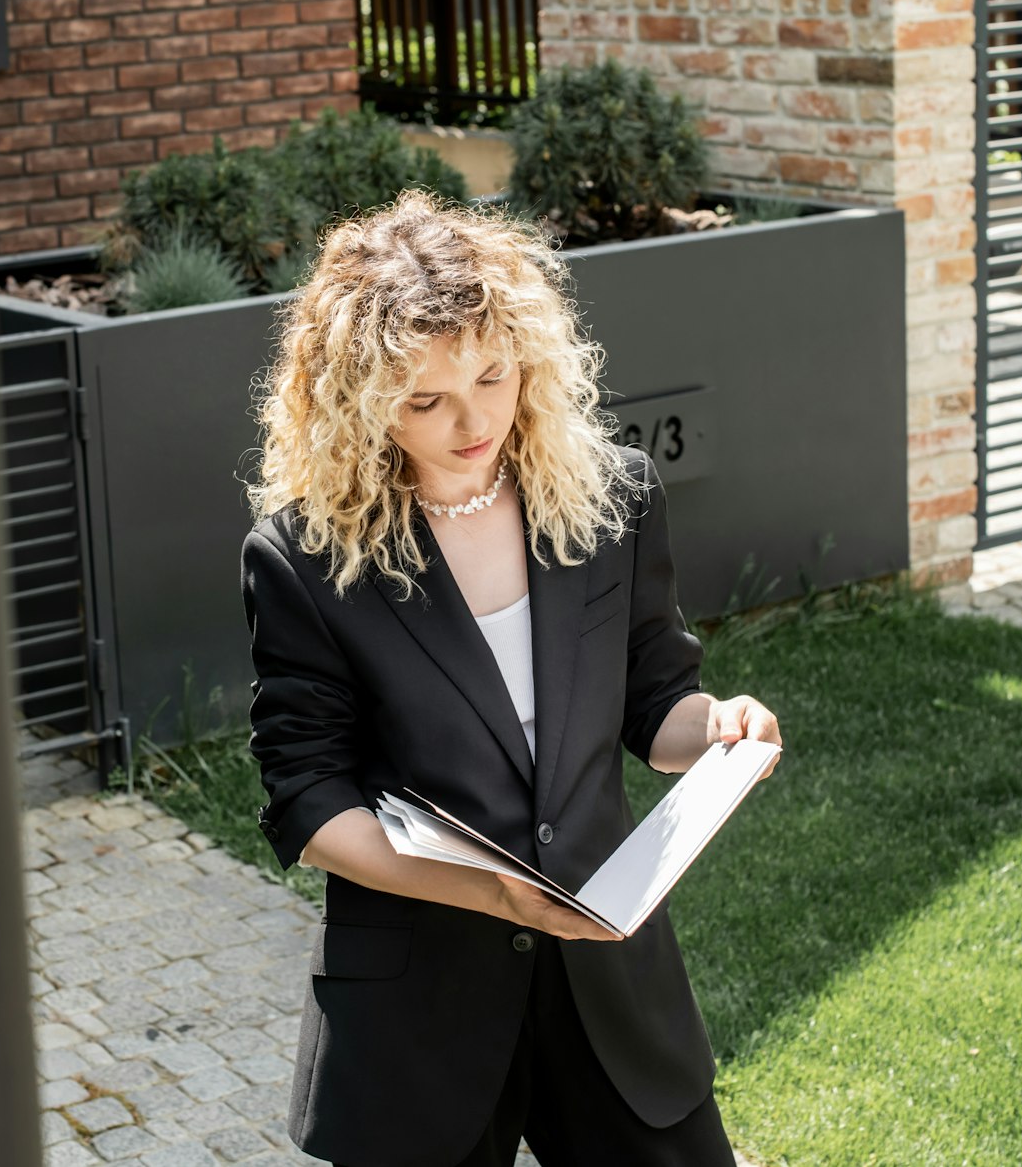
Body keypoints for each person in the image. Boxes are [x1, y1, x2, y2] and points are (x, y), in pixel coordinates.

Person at [239, 191, 782, 1167]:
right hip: (418, 1013)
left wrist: (718, 728)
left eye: (492, 376)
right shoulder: (303, 557)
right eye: (423, 399)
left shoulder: (608, 497)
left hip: (610, 990)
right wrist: (492, 897)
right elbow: (305, 796)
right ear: (353, 397)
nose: (471, 419)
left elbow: (656, 700)